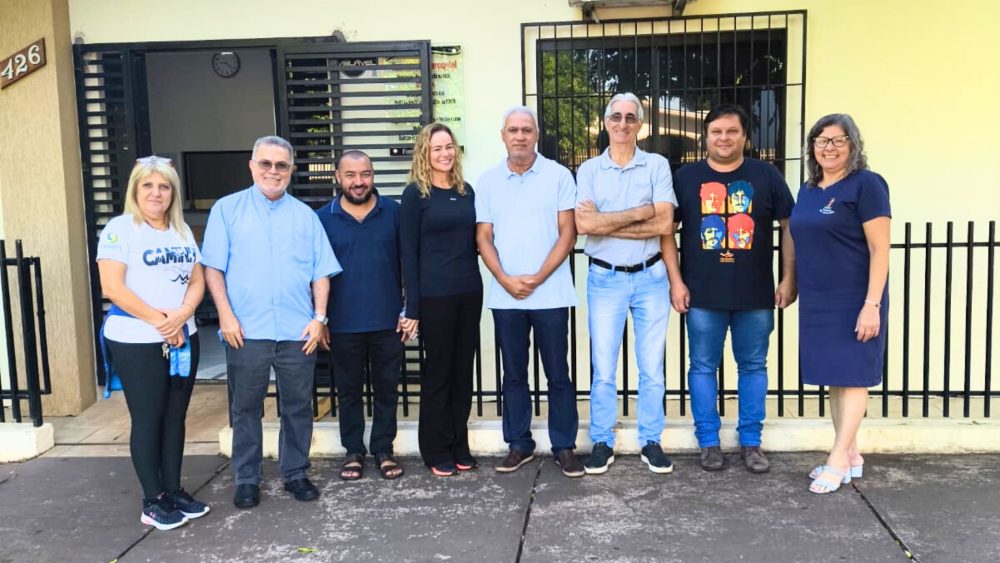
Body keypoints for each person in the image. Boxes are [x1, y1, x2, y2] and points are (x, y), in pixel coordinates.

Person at [202, 136, 341, 508]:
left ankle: (295, 473)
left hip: (298, 331)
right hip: (246, 331)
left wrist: (319, 318)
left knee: (297, 406)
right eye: (266, 163)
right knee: (245, 408)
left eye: (281, 165)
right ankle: (247, 479)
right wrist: (226, 316)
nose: (273, 171)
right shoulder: (227, 210)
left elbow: (321, 273)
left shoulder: (305, 216)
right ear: (252, 166)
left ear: (291, 171)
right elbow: (212, 268)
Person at [662, 104, 796, 473]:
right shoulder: (685, 178)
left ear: (745, 137)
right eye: (717, 131)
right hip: (702, 295)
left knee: (753, 366)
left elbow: (790, 226)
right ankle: (709, 442)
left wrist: (789, 278)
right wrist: (675, 280)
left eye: (732, 131)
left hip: (755, 295)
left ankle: (751, 442)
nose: (724, 138)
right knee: (702, 367)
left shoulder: (765, 175)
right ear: (706, 137)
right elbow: (665, 233)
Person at [97, 155, 208, 530]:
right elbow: (112, 288)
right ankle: (152, 499)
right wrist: (163, 321)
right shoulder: (120, 229)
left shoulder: (181, 231)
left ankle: (173, 489)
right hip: (137, 339)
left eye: (164, 186)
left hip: (183, 336)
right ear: (135, 190)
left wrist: (183, 313)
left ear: (172, 192)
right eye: (148, 185)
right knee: (148, 418)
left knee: (175, 417)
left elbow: (197, 279)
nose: (156, 193)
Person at [476, 106, 584, 478]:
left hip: (551, 294)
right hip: (506, 296)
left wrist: (537, 277)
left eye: (526, 129)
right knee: (515, 373)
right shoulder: (487, 181)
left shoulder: (558, 176)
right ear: (502, 135)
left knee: (558, 372)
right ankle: (519, 444)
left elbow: (568, 232)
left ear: (536, 134)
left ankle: (564, 446)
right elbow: (483, 236)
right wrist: (505, 279)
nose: (519, 136)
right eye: (512, 130)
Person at [575, 93, 677, 475]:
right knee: (603, 367)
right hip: (605, 278)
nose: (622, 123)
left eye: (630, 117)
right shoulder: (588, 170)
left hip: (651, 277)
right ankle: (602, 440)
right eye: (615, 116)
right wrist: (641, 212)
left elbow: (665, 224)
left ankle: (651, 440)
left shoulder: (657, 165)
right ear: (605, 122)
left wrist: (608, 221)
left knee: (652, 367)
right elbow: (585, 227)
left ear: (640, 124)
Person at [790, 114, 890, 494]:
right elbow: (801, 243)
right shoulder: (809, 190)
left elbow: (880, 249)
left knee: (853, 375)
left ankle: (836, 458)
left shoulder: (867, 185)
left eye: (838, 140)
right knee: (835, 376)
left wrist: (872, 304)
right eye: (821, 139)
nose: (828, 147)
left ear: (853, 145)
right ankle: (850, 454)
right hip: (819, 298)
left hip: (855, 297)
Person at [317, 150, 412, 481]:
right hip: (341, 324)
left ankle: (384, 449)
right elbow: (313, 273)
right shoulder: (321, 218)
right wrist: (320, 319)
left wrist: (409, 310)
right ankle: (353, 451)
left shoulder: (395, 213)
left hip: (388, 321)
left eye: (366, 174)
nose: (359, 182)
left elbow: (409, 265)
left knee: (387, 389)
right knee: (348, 390)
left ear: (373, 176)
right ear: (337, 177)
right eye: (351, 175)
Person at [400, 123, 483, 476]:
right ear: (425, 152)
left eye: (449, 146)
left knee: (463, 374)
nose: (445, 153)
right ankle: (435, 449)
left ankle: (458, 444)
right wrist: (412, 309)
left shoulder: (467, 192)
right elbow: (408, 254)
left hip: (469, 292)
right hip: (435, 297)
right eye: (437, 148)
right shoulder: (414, 195)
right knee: (439, 374)